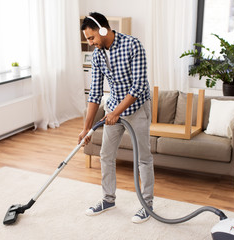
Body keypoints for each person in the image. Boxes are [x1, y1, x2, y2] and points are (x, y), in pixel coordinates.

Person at [78, 12, 154, 224]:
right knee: (106, 155)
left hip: (137, 108)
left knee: (144, 158)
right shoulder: (98, 55)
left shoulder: (133, 45)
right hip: (114, 110)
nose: (91, 43)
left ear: (103, 30)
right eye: (88, 40)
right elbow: (94, 93)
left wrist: (116, 113)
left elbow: (138, 86)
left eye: (92, 38)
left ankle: (147, 205)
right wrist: (86, 129)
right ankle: (108, 199)